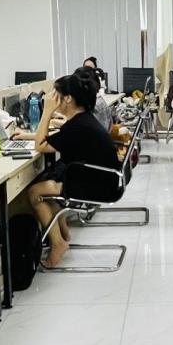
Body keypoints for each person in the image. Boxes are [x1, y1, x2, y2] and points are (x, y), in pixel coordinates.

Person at [27, 71, 121, 268]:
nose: (52, 99)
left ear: (68, 98)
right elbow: (47, 141)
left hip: (98, 185)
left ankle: (58, 243)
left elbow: (40, 145)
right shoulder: (82, 120)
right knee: (46, 184)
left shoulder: (77, 126)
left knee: (35, 192)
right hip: (104, 178)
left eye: (56, 95)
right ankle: (64, 236)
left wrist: (47, 112)